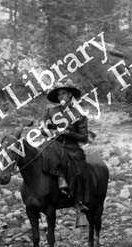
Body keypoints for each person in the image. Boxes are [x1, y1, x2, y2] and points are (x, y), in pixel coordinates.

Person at [43, 79, 90, 228]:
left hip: (71, 147)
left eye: (63, 93)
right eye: (59, 94)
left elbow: (84, 137)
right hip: (54, 144)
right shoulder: (51, 111)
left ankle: (79, 204)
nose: (61, 96)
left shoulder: (79, 113)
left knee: (79, 167)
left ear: (70, 95)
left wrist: (68, 132)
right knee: (39, 157)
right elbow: (43, 129)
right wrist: (49, 131)